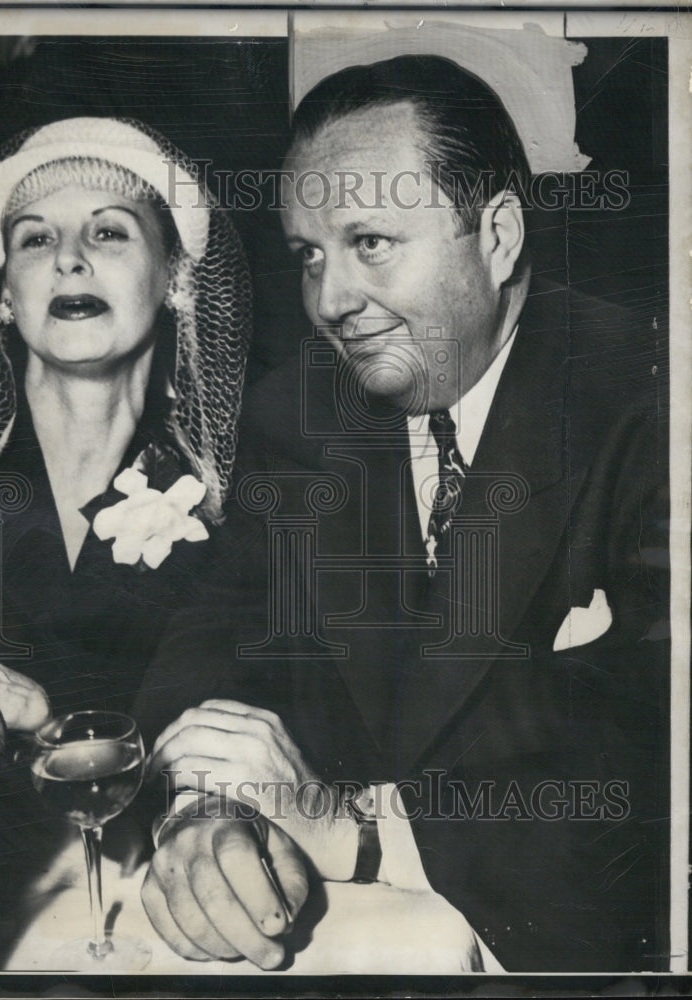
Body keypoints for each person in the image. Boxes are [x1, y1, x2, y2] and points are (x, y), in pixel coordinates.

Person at [138, 56, 669, 972]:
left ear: (497, 236)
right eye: (309, 255)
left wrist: (356, 830)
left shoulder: (655, 405)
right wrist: (208, 804)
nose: (331, 302)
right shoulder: (294, 408)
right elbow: (221, 625)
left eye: (370, 242)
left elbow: (659, 763)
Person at [0, 115, 252, 966]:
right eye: (35, 240)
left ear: (175, 276)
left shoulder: (242, 505)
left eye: (107, 232)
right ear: (0, 295)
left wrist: (41, 722)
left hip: (159, 922)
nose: (69, 259)